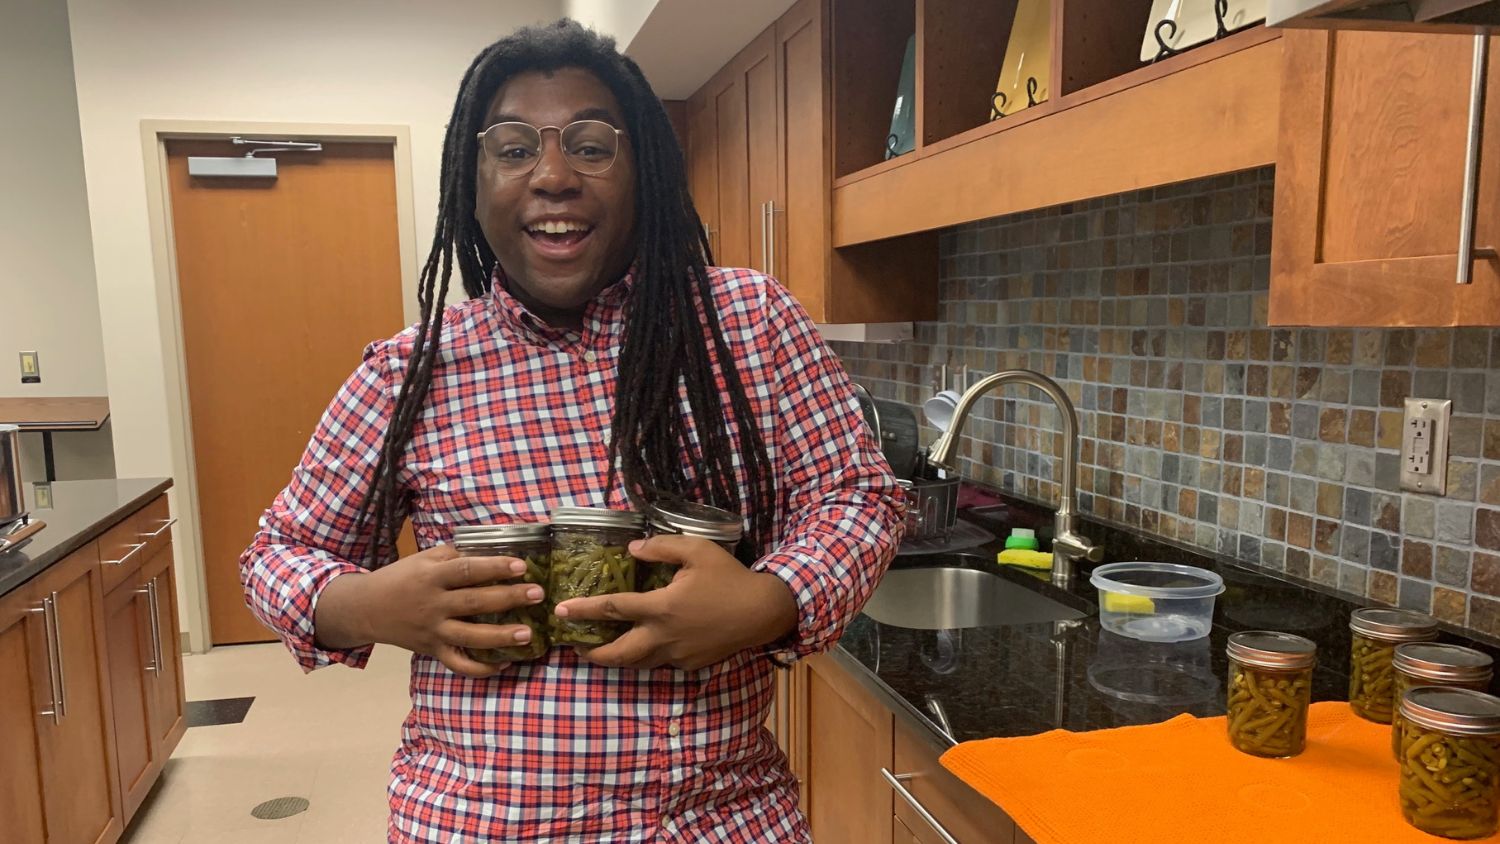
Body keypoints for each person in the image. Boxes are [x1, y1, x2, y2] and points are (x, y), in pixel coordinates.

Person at [240, 19, 903, 843]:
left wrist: (770, 601)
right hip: (484, 824)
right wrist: (369, 604)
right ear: (470, 183)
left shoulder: (748, 323)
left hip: (719, 821)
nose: (553, 175)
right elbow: (276, 556)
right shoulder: (408, 373)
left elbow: (859, 496)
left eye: (592, 146)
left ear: (643, 174)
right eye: (513, 149)